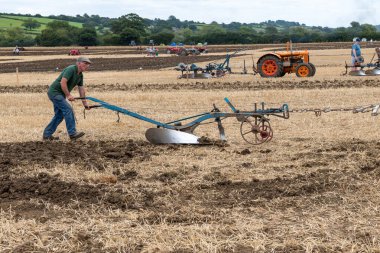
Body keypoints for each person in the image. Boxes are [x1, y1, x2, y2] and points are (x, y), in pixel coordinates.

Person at [42, 57, 92, 141]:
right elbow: (63, 82)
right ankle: (72, 133)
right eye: (85, 63)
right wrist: (68, 95)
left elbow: (81, 89)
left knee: (59, 115)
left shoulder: (80, 75)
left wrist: (85, 103)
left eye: (88, 64)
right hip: (55, 92)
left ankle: (47, 135)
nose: (87, 65)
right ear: (78, 63)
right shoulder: (71, 69)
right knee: (68, 109)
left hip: (60, 95)